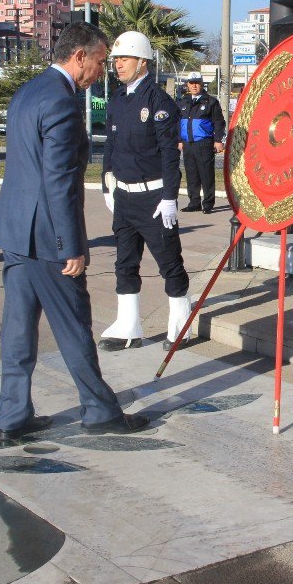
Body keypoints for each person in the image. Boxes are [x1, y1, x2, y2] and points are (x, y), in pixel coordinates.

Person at [0, 22, 148, 442]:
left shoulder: (27, 91)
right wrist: (71, 246)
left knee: (18, 332)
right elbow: (58, 180)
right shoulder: (60, 102)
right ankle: (99, 411)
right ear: (79, 56)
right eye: (98, 62)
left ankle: (12, 415)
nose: (101, 72)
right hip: (46, 239)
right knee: (75, 325)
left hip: (15, 232)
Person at [98, 31, 192, 353]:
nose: (117, 64)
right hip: (124, 197)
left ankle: (181, 322)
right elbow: (110, 145)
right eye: (115, 59)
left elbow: (169, 154)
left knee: (169, 263)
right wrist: (106, 181)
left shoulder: (159, 101)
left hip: (153, 199)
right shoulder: (118, 100)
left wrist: (169, 197)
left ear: (142, 61)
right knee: (124, 263)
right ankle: (129, 325)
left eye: (124, 58)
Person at [176, 71, 225, 214]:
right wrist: (179, 140)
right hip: (187, 144)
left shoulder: (210, 102)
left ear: (202, 84)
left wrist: (218, 140)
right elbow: (178, 123)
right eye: (191, 83)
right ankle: (194, 202)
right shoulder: (183, 103)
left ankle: (208, 203)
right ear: (187, 85)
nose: (194, 86)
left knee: (206, 174)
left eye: (197, 82)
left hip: (203, 143)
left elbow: (219, 122)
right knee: (191, 174)